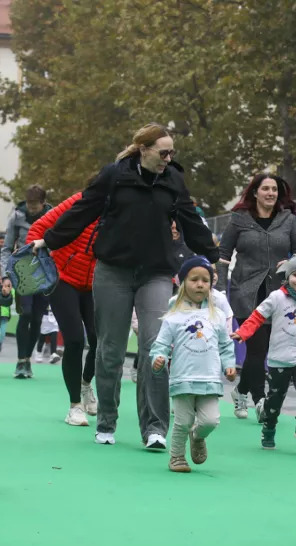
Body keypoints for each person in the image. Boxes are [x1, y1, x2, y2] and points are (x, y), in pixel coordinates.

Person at [37, 123, 218, 449]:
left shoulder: (173, 179)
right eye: (163, 152)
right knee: (110, 350)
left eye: (172, 152)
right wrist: (50, 240)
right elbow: (82, 210)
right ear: (143, 149)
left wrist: (211, 254)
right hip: (113, 271)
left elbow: (190, 219)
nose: (168, 158)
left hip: (156, 274)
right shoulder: (114, 176)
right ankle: (106, 422)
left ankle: (155, 428)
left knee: (155, 348)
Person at [218, 172, 296, 422]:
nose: (270, 193)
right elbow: (223, 255)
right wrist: (222, 291)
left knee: (263, 349)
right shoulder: (239, 219)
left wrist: (292, 263)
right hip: (245, 291)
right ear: (255, 192)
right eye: (265, 188)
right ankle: (260, 400)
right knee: (256, 346)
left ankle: (241, 391)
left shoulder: (288, 219)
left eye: (274, 189)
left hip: (278, 293)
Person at [150, 257, 236, 472]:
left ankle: (197, 437)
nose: (200, 284)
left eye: (205, 280)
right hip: (183, 379)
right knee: (182, 421)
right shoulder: (174, 317)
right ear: (182, 283)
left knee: (211, 421)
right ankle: (177, 457)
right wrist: (158, 359)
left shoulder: (216, 315)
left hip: (210, 379)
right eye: (194, 279)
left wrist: (229, 364)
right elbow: (160, 345)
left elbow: (226, 345)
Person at [26, 187, 99, 426]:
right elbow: (38, 229)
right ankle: (74, 406)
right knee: (75, 339)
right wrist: (39, 263)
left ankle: (86, 382)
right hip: (63, 278)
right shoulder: (79, 200)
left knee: (100, 340)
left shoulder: (122, 209)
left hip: (96, 282)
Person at [233, 256, 296, 449]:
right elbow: (257, 316)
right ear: (288, 277)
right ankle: (269, 427)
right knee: (275, 397)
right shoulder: (277, 297)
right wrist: (243, 332)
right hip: (279, 358)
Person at [2, 185, 53, 379]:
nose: (31, 209)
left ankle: (28, 359)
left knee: (38, 319)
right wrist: (6, 274)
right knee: (26, 314)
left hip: (45, 273)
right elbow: (7, 248)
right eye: (29, 205)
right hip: (23, 272)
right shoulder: (16, 217)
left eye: (35, 206)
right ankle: (20, 360)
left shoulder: (53, 216)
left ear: (43, 203)